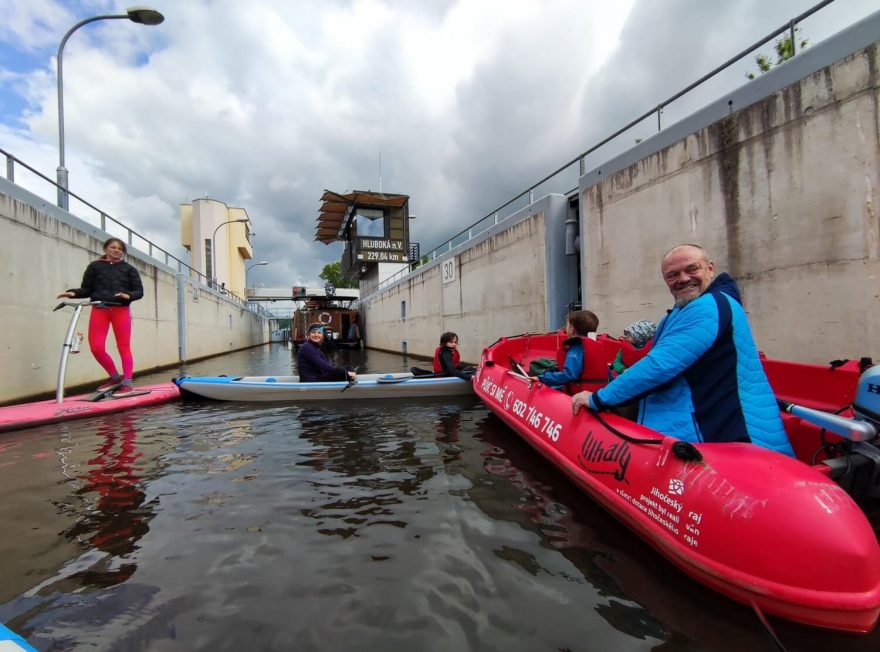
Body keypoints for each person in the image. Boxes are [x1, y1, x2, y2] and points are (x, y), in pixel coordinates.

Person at [572, 244, 794, 456]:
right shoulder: (683, 310)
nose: (683, 279)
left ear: (711, 268)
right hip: (705, 428)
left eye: (692, 269)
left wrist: (597, 399)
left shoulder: (707, 307)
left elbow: (659, 366)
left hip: (728, 438)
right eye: (672, 275)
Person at [56, 237, 144, 397]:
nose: (117, 250)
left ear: (123, 252)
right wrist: (73, 293)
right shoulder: (94, 266)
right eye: (113, 247)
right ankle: (115, 377)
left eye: (120, 248)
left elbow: (139, 291)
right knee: (96, 347)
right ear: (105, 249)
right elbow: (87, 289)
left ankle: (127, 383)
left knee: (123, 347)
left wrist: (128, 295)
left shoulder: (129, 269)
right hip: (99, 309)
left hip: (120, 311)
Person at [530, 310, 599, 389]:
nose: (565, 329)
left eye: (567, 326)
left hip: (583, 395)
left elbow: (569, 375)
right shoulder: (597, 347)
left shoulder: (576, 349)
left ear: (572, 329)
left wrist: (541, 378)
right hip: (598, 392)